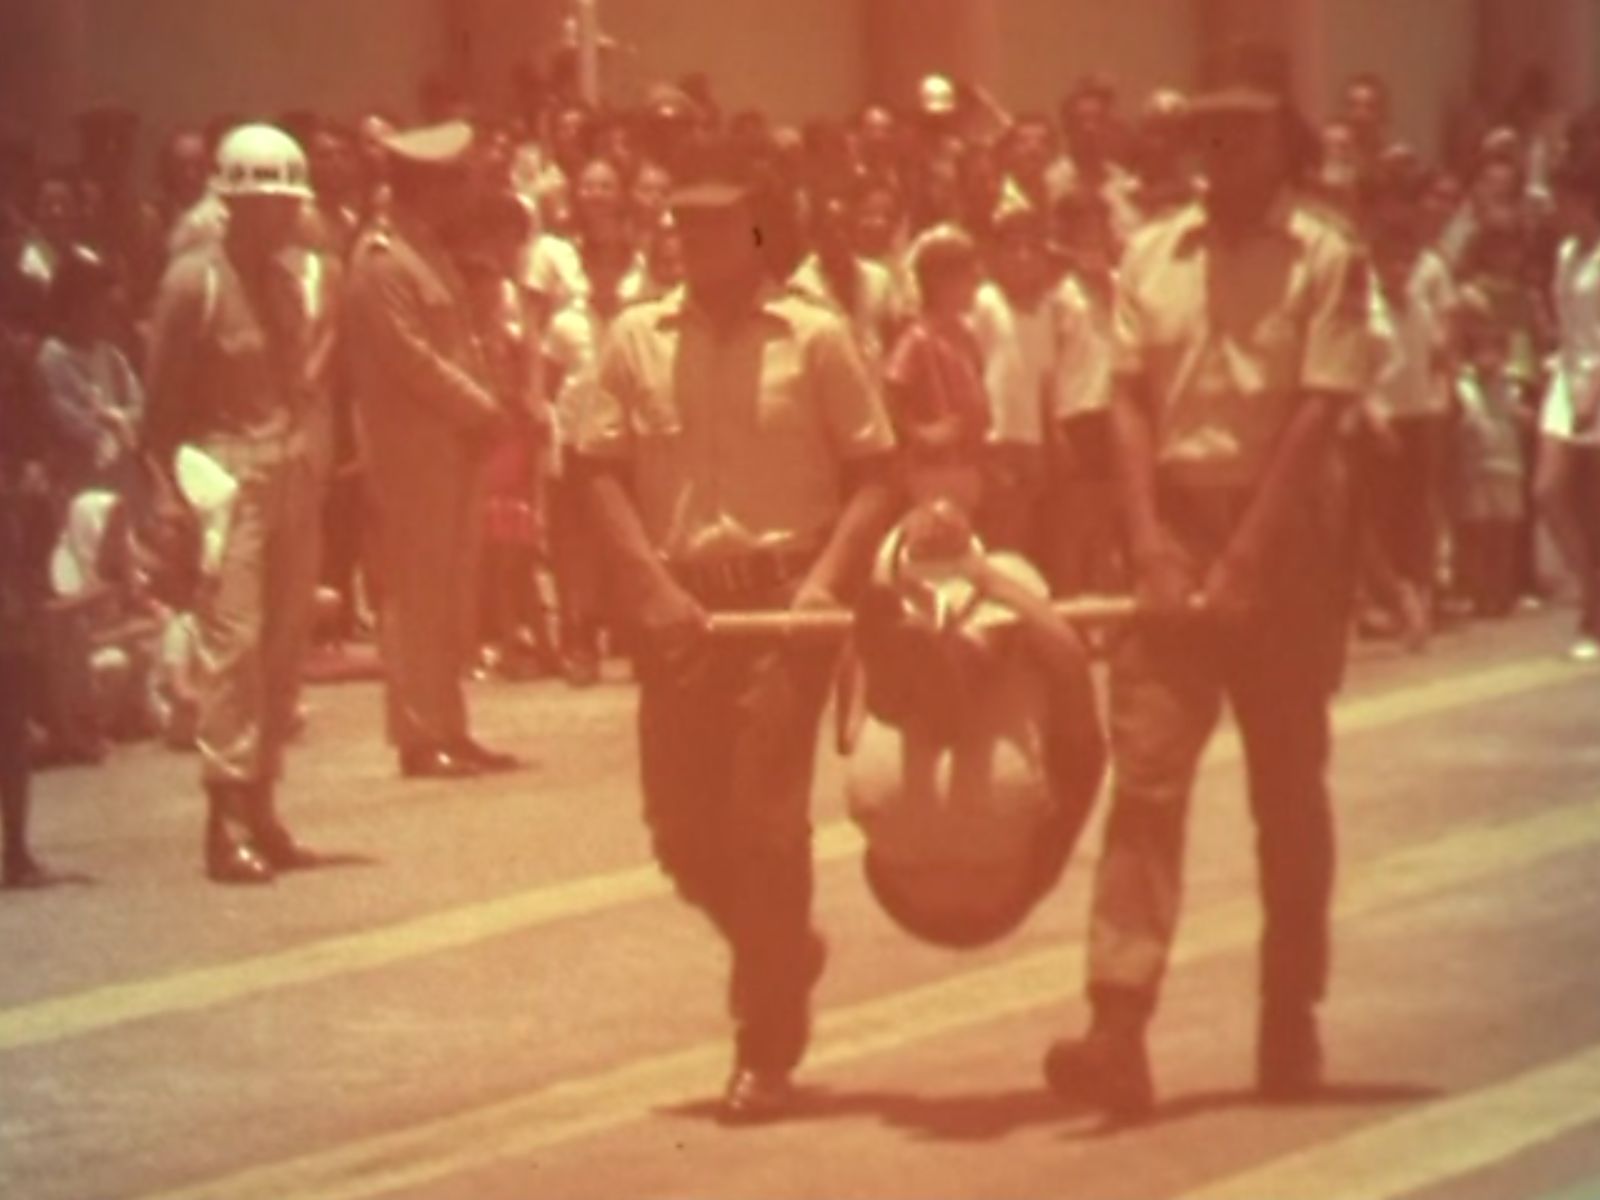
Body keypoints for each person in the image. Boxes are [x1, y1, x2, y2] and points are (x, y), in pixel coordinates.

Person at [1041, 74, 1371, 1119]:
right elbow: (1127, 400)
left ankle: (1289, 1018)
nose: (1221, 144)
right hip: (1174, 530)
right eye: (1207, 128)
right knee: (1144, 784)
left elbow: (1319, 415)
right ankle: (1117, 1025)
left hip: (1285, 544)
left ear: (1287, 137)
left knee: (1287, 796)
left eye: (1243, 126)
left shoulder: (1327, 257)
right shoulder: (1151, 254)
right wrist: (1147, 543)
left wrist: (1245, 561)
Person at [574, 147, 898, 1123]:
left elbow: (878, 472)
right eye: (678, 221)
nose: (689, 238)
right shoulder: (634, 336)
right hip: (681, 616)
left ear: (755, 231)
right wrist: (644, 587)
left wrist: (826, 583)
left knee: (762, 829)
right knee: (681, 837)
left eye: (711, 222)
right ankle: (782, 952)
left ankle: (765, 1046)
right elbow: (594, 469)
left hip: (778, 614)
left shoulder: (816, 337)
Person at [140, 124, 336, 884]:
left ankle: (262, 804)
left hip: (289, 473)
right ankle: (223, 821)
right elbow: (160, 412)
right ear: (233, 203)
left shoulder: (287, 282)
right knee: (234, 650)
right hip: (225, 480)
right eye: (270, 202)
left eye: (291, 201)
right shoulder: (196, 280)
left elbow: (296, 386)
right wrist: (170, 504)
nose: (286, 216)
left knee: (286, 648)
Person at [345, 121, 523, 777]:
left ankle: (449, 724)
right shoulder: (383, 260)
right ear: (426, 185)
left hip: (451, 445)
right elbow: (411, 359)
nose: (462, 194)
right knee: (416, 595)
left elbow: (459, 345)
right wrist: (481, 407)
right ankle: (420, 734)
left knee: (450, 593)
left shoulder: (428, 251)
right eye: (454, 181)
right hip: (414, 449)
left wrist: (483, 406)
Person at [1533, 157, 1600, 660]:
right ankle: (1591, 587)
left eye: (1564, 200)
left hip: (1598, 379)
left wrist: (1592, 393)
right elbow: (1566, 320)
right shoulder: (1566, 253)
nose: (1558, 210)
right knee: (1548, 489)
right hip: (1568, 373)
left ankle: (1593, 615)